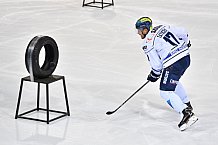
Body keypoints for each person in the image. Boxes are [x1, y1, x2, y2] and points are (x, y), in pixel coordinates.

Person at [135, 17, 198, 131]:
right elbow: (183, 31)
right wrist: (187, 43)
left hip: (173, 63)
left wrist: (154, 75)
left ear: (145, 29)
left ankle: (187, 114)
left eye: (140, 30)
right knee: (173, 81)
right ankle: (187, 104)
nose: (139, 33)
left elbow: (157, 66)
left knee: (165, 91)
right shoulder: (162, 27)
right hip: (186, 58)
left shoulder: (147, 43)